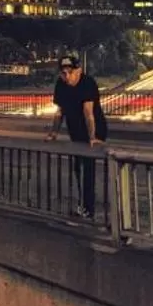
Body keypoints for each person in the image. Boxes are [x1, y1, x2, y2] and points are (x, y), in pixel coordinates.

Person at [51, 53, 107, 217]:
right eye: (63, 73)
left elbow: (88, 112)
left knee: (87, 167)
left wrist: (92, 137)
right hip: (75, 129)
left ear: (79, 71)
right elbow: (59, 111)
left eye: (70, 72)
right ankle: (83, 204)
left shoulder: (87, 83)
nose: (67, 77)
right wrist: (53, 133)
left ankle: (88, 208)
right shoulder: (61, 85)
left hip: (95, 128)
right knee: (78, 166)